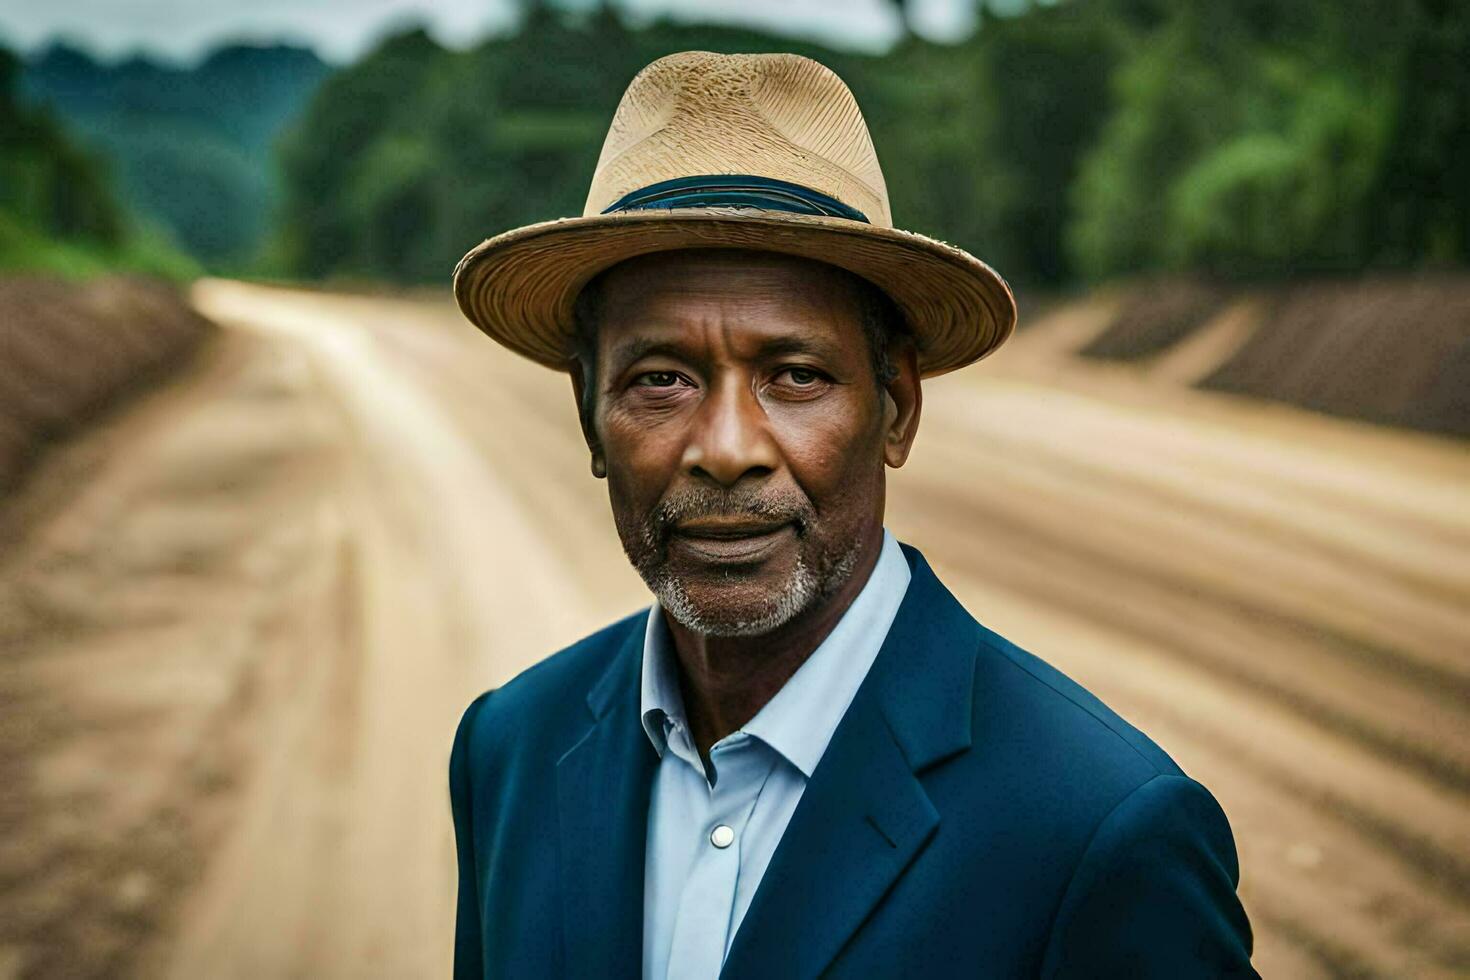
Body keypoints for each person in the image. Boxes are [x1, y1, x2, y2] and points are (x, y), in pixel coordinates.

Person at [448, 50, 1256, 979]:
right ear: (589, 414)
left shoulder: (1099, 830)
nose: (726, 446)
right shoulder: (509, 750)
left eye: (796, 376)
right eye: (661, 379)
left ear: (897, 408)